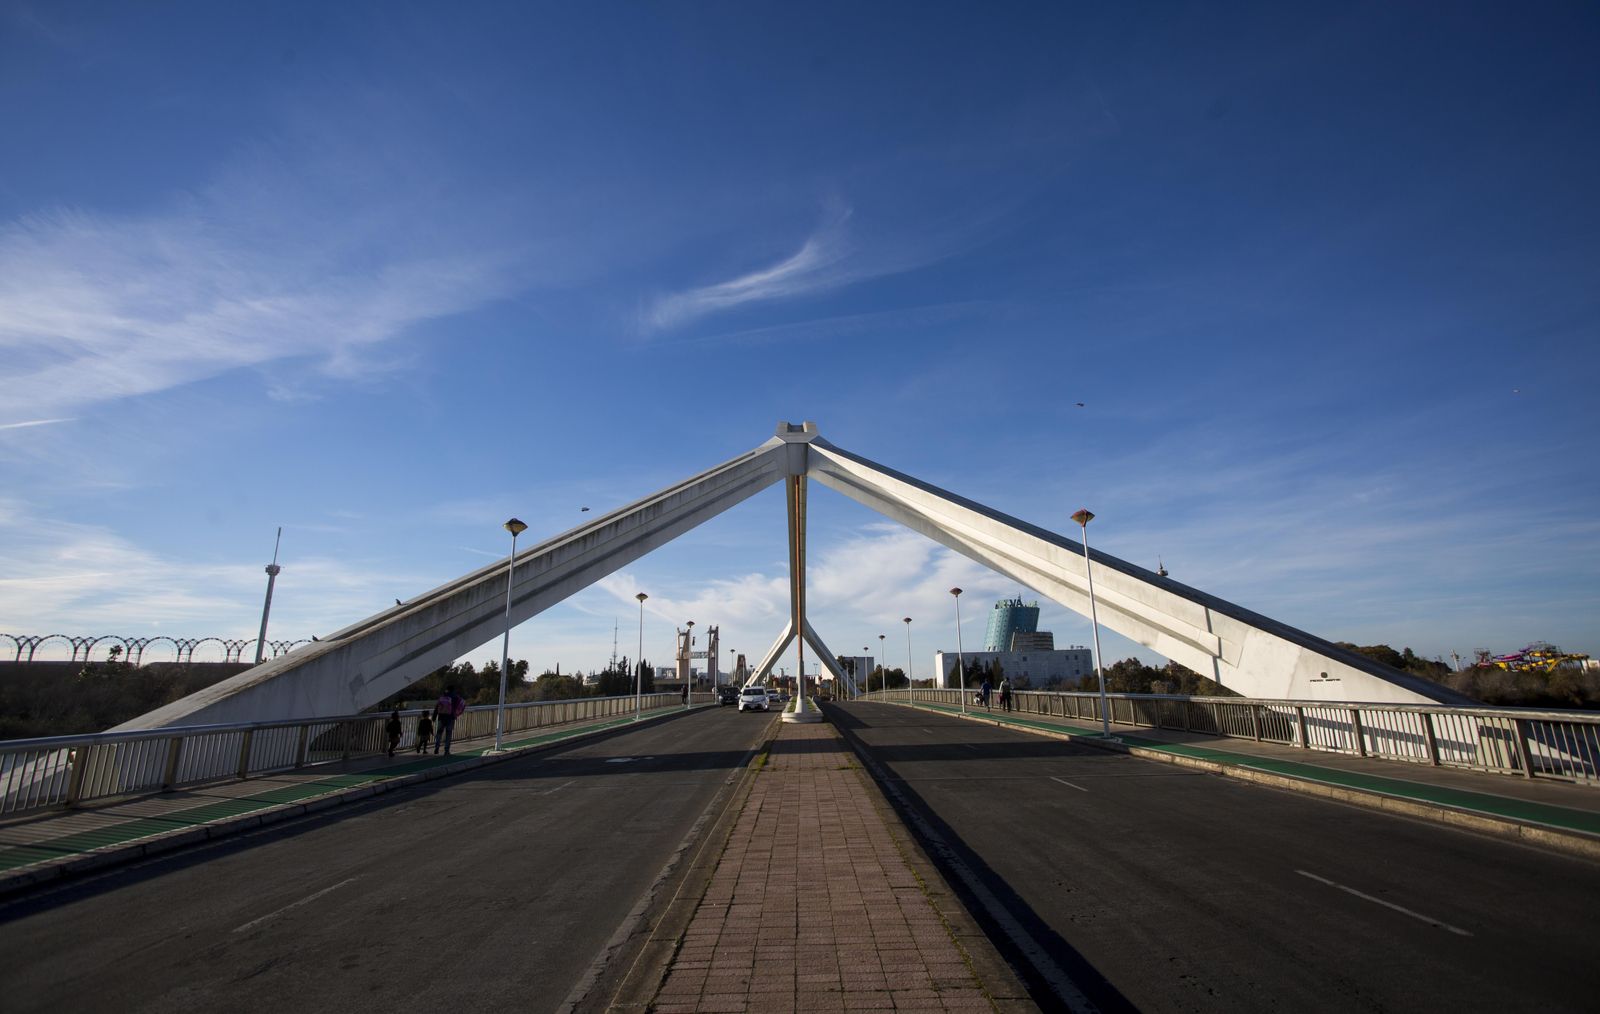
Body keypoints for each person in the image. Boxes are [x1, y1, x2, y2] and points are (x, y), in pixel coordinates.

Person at [433, 687, 465, 755]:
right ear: (453, 690)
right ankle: (446, 750)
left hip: (441, 718)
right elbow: (461, 705)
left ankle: (436, 747)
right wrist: (456, 714)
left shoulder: (442, 696)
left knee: (439, 733)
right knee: (448, 734)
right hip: (450, 718)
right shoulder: (455, 697)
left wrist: (434, 716)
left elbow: (437, 707)